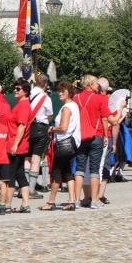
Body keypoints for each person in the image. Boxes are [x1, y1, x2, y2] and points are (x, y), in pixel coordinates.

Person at [72, 76, 119, 208]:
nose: (98, 86)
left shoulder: (76, 98)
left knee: (80, 168)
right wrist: (120, 109)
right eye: (96, 84)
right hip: (96, 135)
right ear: (91, 84)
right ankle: (94, 200)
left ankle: (77, 199)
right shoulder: (100, 99)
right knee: (94, 169)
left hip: (81, 136)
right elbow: (107, 119)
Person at [42, 81, 78, 211]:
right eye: (59, 91)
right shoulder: (73, 105)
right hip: (71, 143)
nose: (60, 93)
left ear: (70, 92)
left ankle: (51, 202)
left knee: (56, 172)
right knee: (68, 172)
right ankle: (72, 201)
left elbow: (63, 128)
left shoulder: (67, 108)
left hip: (64, 142)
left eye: (63, 91)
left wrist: (51, 129)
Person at [7, 78, 33, 213]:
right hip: (18, 144)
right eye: (14, 88)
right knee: (20, 173)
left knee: (11, 174)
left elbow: (22, 126)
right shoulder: (21, 104)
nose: (15, 90)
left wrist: (15, 144)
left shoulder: (23, 106)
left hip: (17, 144)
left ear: (26, 91)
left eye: (18, 89)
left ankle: (7, 204)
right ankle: (25, 204)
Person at [99, 88, 128, 204]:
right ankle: (100, 194)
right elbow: (115, 125)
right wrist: (115, 143)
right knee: (105, 165)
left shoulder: (91, 100)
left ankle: (89, 195)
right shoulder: (110, 104)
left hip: (93, 135)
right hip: (107, 136)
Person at [27, 74, 53, 199]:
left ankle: (23, 187)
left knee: (27, 157)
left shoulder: (28, 95)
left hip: (28, 127)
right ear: (46, 85)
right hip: (40, 127)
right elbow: (49, 116)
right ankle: (31, 189)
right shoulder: (46, 98)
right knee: (36, 158)